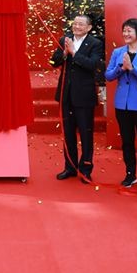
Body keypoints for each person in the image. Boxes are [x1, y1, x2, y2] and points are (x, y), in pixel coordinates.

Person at [105, 18, 137, 192]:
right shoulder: (118, 52)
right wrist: (121, 68)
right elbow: (108, 75)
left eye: (129, 30)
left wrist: (133, 68)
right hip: (122, 104)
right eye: (124, 30)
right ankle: (130, 174)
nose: (126, 34)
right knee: (127, 141)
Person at [50, 14, 104, 182]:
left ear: (89, 27)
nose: (77, 27)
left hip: (84, 96)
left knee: (86, 134)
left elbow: (93, 65)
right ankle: (70, 167)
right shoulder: (65, 39)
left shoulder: (95, 43)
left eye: (81, 24)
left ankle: (86, 169)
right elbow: (53, 62)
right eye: (75, 24)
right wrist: (64, 53)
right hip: (66, 94)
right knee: (68, 133)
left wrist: (74, 53)